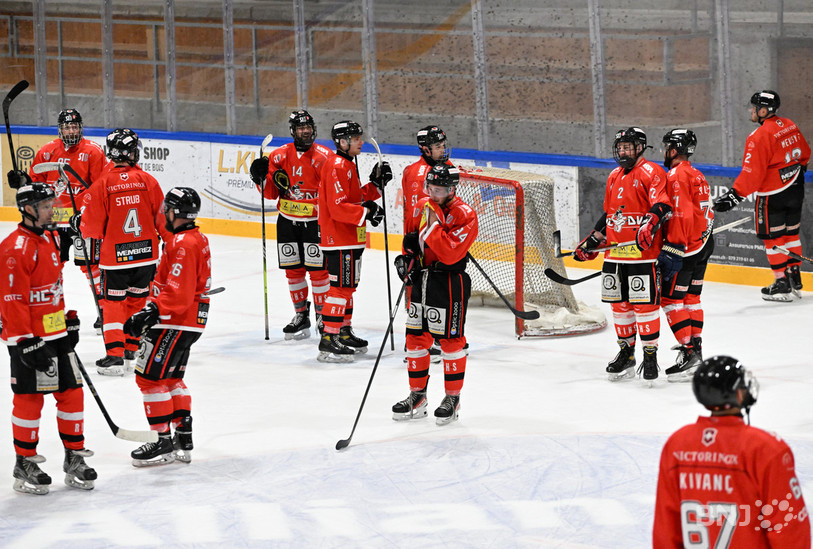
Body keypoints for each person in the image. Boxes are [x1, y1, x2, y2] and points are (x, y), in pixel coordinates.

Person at [0, 182, 97, 495]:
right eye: (44, 206)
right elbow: (12, 299)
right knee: (29, 399)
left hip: (54, 334)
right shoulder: (15, 249)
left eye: (51, 204)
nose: (51, 209)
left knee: (72, 393)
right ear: (28, 210)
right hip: (28, 337)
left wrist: (65, 322)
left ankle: (74, 456)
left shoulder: (48, 240)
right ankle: (24, 460)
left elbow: (50, 288)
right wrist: (25, 340)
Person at [653, 355, 810, 548]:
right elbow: (789, 530)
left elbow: (666, 529)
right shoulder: (766, 449)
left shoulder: (677, 445)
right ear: (737, 394)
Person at [573, 127, 671, 385]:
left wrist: (649, 224)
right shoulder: (614, 175)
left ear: (640, 147)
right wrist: (593, 240)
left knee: (645, 308)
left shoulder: (653, 172)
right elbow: (609, 215)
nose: (622, 151)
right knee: (620, 308)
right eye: (620, 147)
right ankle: (627, 354)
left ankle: (650, 356)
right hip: (615, 257)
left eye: (628, 146)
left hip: (644, 257)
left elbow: (663, 205)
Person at [123, 187, 211, 466]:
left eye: (167, 208)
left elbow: (178, 292)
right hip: (189, 322)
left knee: (149, 379)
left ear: (176, 213)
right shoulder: (195, 238)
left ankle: (161, 442)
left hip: (174, 320)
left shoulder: (183, 243)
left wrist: (150, 313)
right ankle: (182, 436)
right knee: (171, 378)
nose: (164, 212)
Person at [76, 128, 168, 375]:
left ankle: (114, 356)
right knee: (138, 302)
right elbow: (163, 220)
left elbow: (92, 229)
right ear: (130, 152)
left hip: (116, 260)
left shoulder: (102, 184)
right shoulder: (149, 181)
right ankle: (131, 348)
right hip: (146, 256)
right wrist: (171, 245)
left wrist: (79, 222)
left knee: (114, 305)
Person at [391, 164, 478, 425]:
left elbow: (450, 253)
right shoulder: (421, 205)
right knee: (416, 338)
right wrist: (406, 258)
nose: (433, 193)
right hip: (421, 280)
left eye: (439, 189)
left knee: (451, 341)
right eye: (430, 188)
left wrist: (433, 224)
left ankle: (453, 398)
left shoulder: (465, 214)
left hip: (450, 282)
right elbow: (411, 240)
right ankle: (417, 395)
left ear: (452, 189)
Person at [8, 109, 108, 333]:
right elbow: (34, 184)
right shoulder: (47, 151)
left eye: (74, 127)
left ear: (80, 128)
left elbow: (100, 188)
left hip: (82, 221)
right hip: (53, 221)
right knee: (53, 269)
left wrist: (86, 212)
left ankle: (104, 311)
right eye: (67, 127)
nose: (71, 131)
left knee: (92, 268)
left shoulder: (93, 151)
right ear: (60, 129)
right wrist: (21, 180)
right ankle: (53, 310)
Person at [713, 90, 810, 302]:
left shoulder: (759, 136)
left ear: (764, 110)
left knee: (773, 239)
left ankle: (781, 284)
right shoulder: (790, 124)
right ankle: (795, 276)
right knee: (791, 234)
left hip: (773, 194)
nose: (752, 110)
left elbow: (752, 174)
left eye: (755, 107)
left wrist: (733, 196)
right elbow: (805, 154)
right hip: (796, 188)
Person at [249, 110, 332, 339]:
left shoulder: (325, 157)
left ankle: (324, 318)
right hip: (286, 222)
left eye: (308, 127)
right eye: (300, 128)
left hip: (314, 223)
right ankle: (301, 315)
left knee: (318, 273)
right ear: (293, 131)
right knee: (293, 273)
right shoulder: (278, 156)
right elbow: (271, 193)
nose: (305, 131)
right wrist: (260, 178)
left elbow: (332, 195)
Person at [316, 120, 392, 362]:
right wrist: (368, 211)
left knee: (348, 287)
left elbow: (355, 198)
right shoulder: (337, 165)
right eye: (355, 137)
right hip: (339, 238)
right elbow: (338, 208)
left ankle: (343, 332)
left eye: (360, 137)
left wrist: (376, 186)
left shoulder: (347, 163)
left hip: (349, 238)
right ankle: (329, 338)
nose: (361, 141)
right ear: (342, 142)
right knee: (340, 288)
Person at [659, 129, 714, 381]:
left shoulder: (677, 175)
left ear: (673, 149)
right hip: (703, 243)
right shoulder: (696, 173)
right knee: (691, 298)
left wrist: (673, 248)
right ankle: (696, 353)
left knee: (671, 301)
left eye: (666, 147)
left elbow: (682, 214)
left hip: (686, 247)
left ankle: (689, 353)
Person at [400, 125, 453, 364]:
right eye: (438, 146)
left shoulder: (447, 168)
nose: (442, 149)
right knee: (418, 293)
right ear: (425, 149)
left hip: (440, 241)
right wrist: (413, 244)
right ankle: (416, 341)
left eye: (443, 145)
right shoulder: (415, 173)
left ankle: (439, 337)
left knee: (440, 290)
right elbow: (417, 211)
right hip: (420, 243)